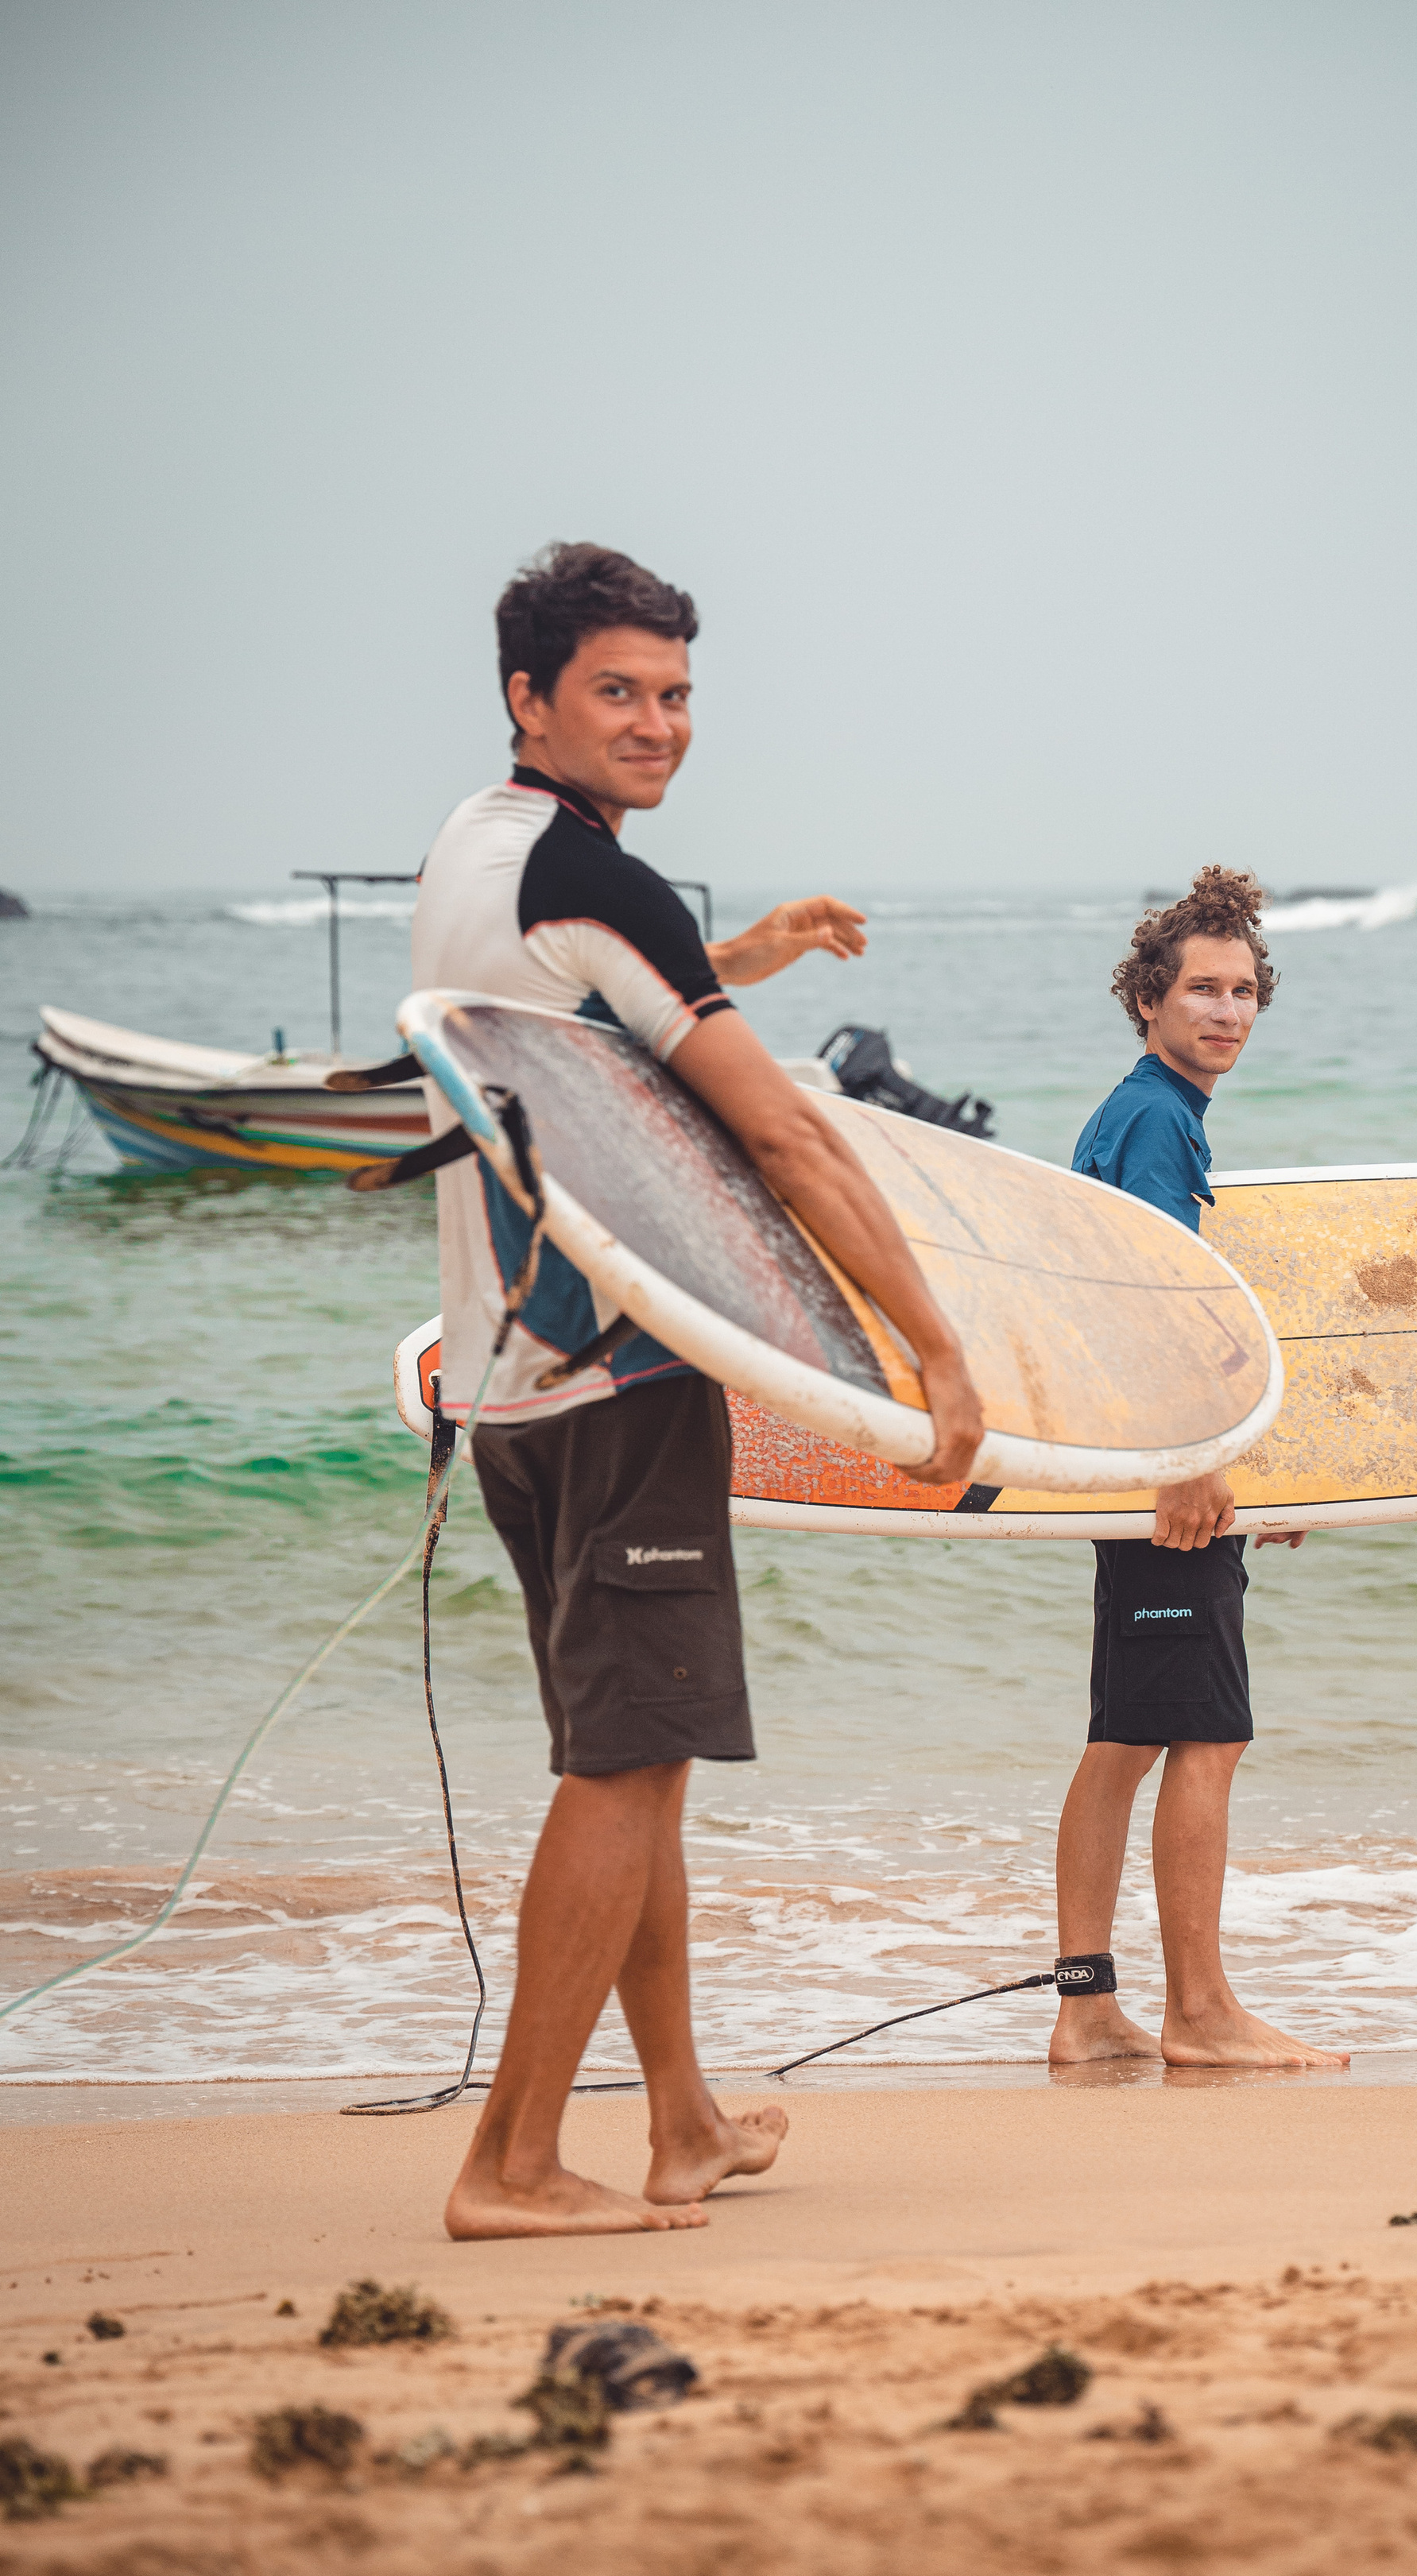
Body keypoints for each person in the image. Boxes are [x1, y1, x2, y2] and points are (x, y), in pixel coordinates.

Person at [410, 542, 984, 2237]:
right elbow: (784, 1132)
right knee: (626, 1769)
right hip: (620, 1376)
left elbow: (574, 1025)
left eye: (674, 696)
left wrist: (739, 955)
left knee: (627, 1754)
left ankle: (680, 2126)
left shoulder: (477, 849)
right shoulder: (601, 881)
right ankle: (509, 2162)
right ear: (530, 696)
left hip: (509, 1393)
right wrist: (935, 1348)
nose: (657, 725)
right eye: (618, 693)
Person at [1050, 870, 1348, 2072]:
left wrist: (1228, 1466)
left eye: (1242, 993)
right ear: (1147, 1000)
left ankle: (1085, 2011)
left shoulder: (1140, 1114)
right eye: (1201, 991)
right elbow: (1162, 1300)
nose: (1225, 1012)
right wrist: (1200, 1468)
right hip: (1160, 1468)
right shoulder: (1161, 1119)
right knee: (1204, 1738)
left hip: (1142, 1460)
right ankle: (1200, 2015)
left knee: (1125, 1738)